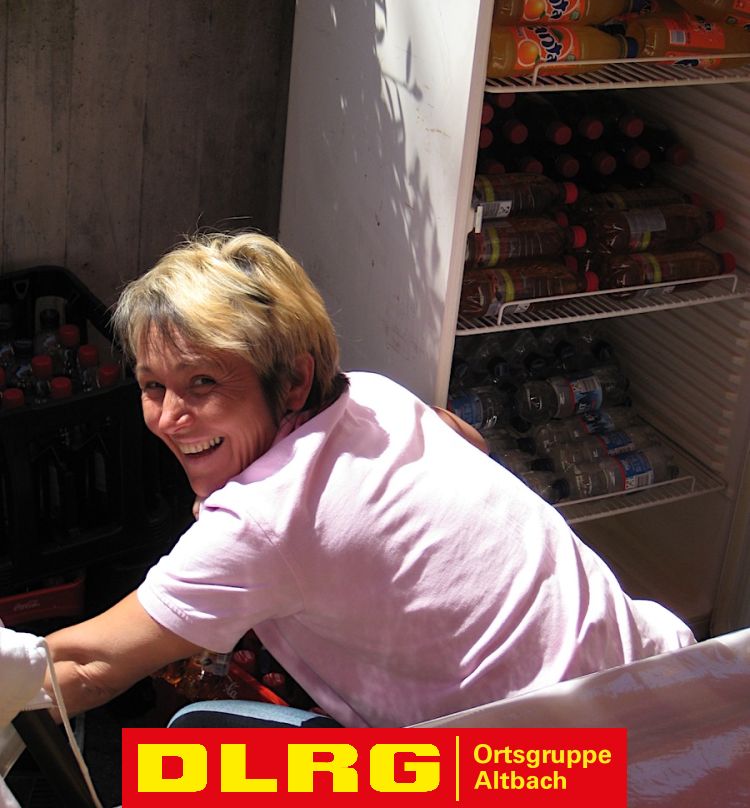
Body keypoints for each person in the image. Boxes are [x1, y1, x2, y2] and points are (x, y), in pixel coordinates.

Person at [45, 231, 694, 728]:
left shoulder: (261, 521)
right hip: (669, 681)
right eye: (153, 387)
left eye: (203, 383)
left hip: (552, 775)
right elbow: (465, 440)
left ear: (293, 381)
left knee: (189, 759)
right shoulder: (376, 398)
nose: (169, 417)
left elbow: (87, 666)